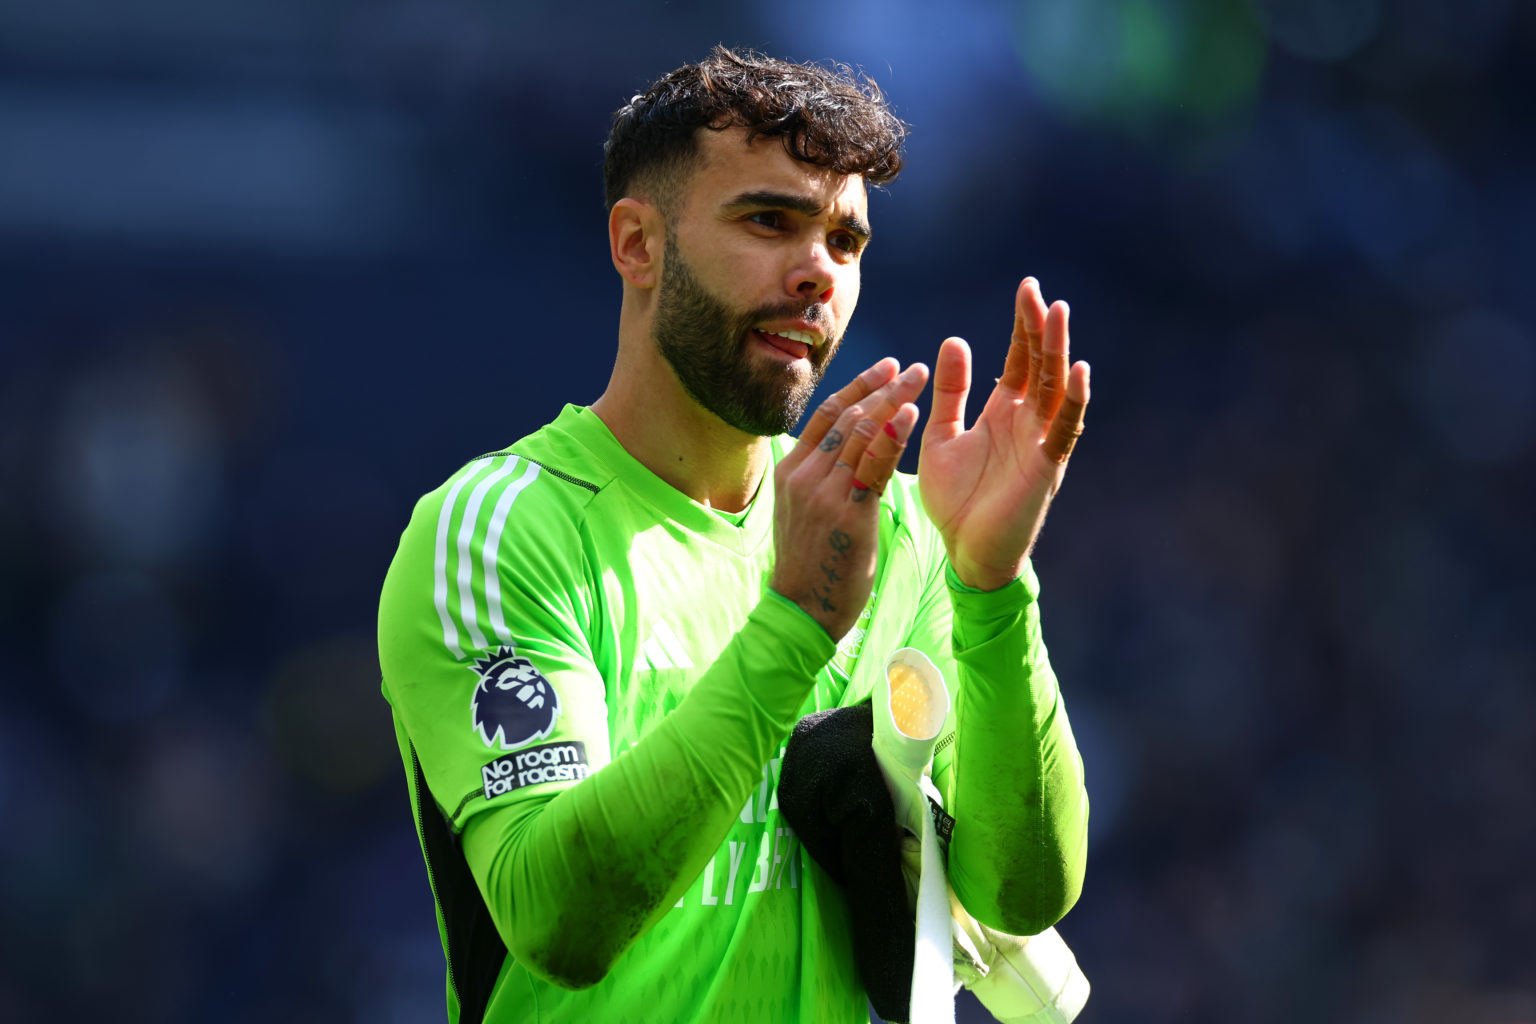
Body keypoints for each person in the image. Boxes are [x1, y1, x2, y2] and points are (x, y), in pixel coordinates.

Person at [378, 45, 1091, 1024]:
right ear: (638, 243)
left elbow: (1023, 894)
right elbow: (562, 920)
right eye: (770, 221)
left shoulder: (898, 534)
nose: (816, 273)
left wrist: (993, 587)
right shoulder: (506, 528)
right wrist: (793, 625)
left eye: (846, 242)